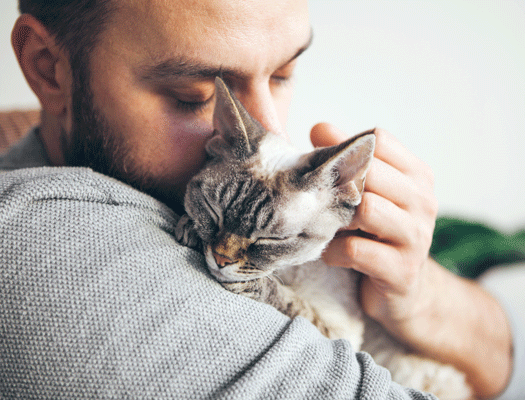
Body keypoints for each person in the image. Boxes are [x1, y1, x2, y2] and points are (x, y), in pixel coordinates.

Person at [0, 0, 522, 399]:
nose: (271, 130)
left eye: (284, 73)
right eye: (195, 96)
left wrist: (424, 297)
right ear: (48, 67)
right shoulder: (43, 247)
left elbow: (494, 355)